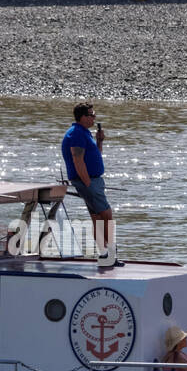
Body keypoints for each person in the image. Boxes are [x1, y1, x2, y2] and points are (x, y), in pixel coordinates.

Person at [60, 102, 116, 267]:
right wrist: (88, 183)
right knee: (106, 215)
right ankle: (111, 254)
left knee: (97, 218)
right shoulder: (77, 134)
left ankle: (104, 254)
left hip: (92, 180)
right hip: (89, 181)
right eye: (91, 115)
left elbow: (94, 156)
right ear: (83, 117)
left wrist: (99, 141)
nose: (94, 117)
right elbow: (78, 160)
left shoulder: (84, 133)